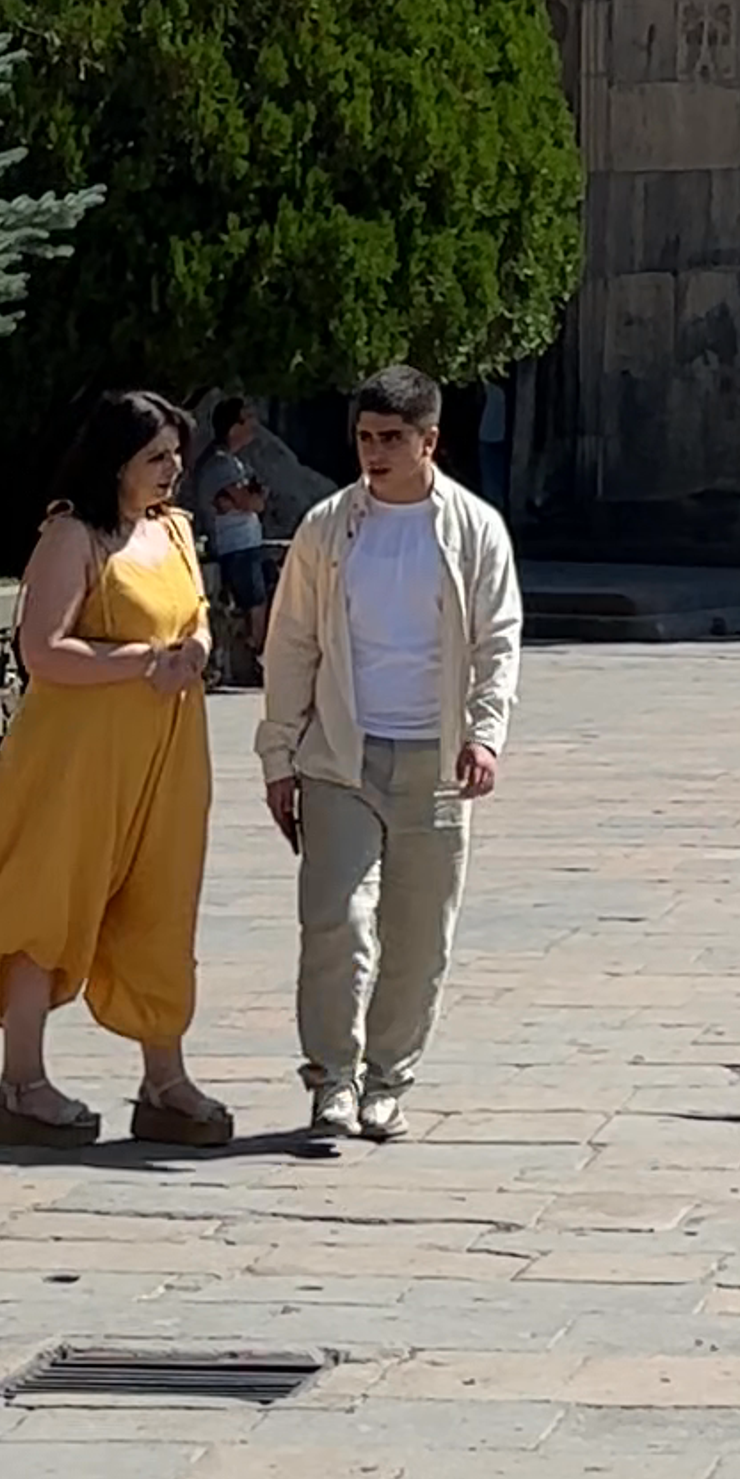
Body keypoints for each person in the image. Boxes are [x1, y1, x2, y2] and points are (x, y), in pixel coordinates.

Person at [0, 390, 233, 1158]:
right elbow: (41, 650)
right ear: (115, 461)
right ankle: (21, 1081)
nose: (174, 469)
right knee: (49, 898)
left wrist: (199, 650)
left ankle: (164, 1078)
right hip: (76, 754)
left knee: (162, 902)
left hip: (168, 748)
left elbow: (196, 616)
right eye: (156, 456)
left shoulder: (174, 529)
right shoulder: (71, 535)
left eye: (177, 453)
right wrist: (146, 660)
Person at [256, 368, 521, 1155]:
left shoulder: (474, 529)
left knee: (419, 933)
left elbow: (497, 640)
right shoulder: (327, 529)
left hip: (436, 761)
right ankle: (331, 1078)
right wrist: (279, 752)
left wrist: (485, 733)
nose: (375, 453)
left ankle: (386, 1082)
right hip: (340, 754)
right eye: (366, 438)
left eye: (392, 439)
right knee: (335, 920)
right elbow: (292, 643)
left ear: (429, 440)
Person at [190, 394, 279, 686]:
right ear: (233, 426)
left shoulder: (236, 462)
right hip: (234, 547)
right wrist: (249, 498)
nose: (254, 425)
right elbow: (250, 502)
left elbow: (254, 498)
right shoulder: (219, 465)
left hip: (247, 544)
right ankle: (255, 656)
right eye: (247, 419)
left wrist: (251, 497)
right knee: (254, 601)